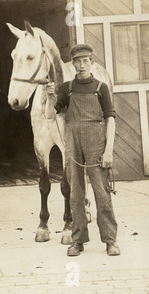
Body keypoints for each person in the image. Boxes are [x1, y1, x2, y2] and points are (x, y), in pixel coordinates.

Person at [48, 44, 120, 257]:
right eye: (77, 61)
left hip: (96, 142)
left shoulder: (101, 88)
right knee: (76, 193)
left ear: (92, 63)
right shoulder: (67, 89)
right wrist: (51, 96)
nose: (81, 65)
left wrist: (109, 150)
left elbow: (110, 119)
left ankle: (110, 240)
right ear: (73, 64)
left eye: (85, 61)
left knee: (101, 192)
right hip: (72, 144)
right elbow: (48, 115)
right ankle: (78, 241)